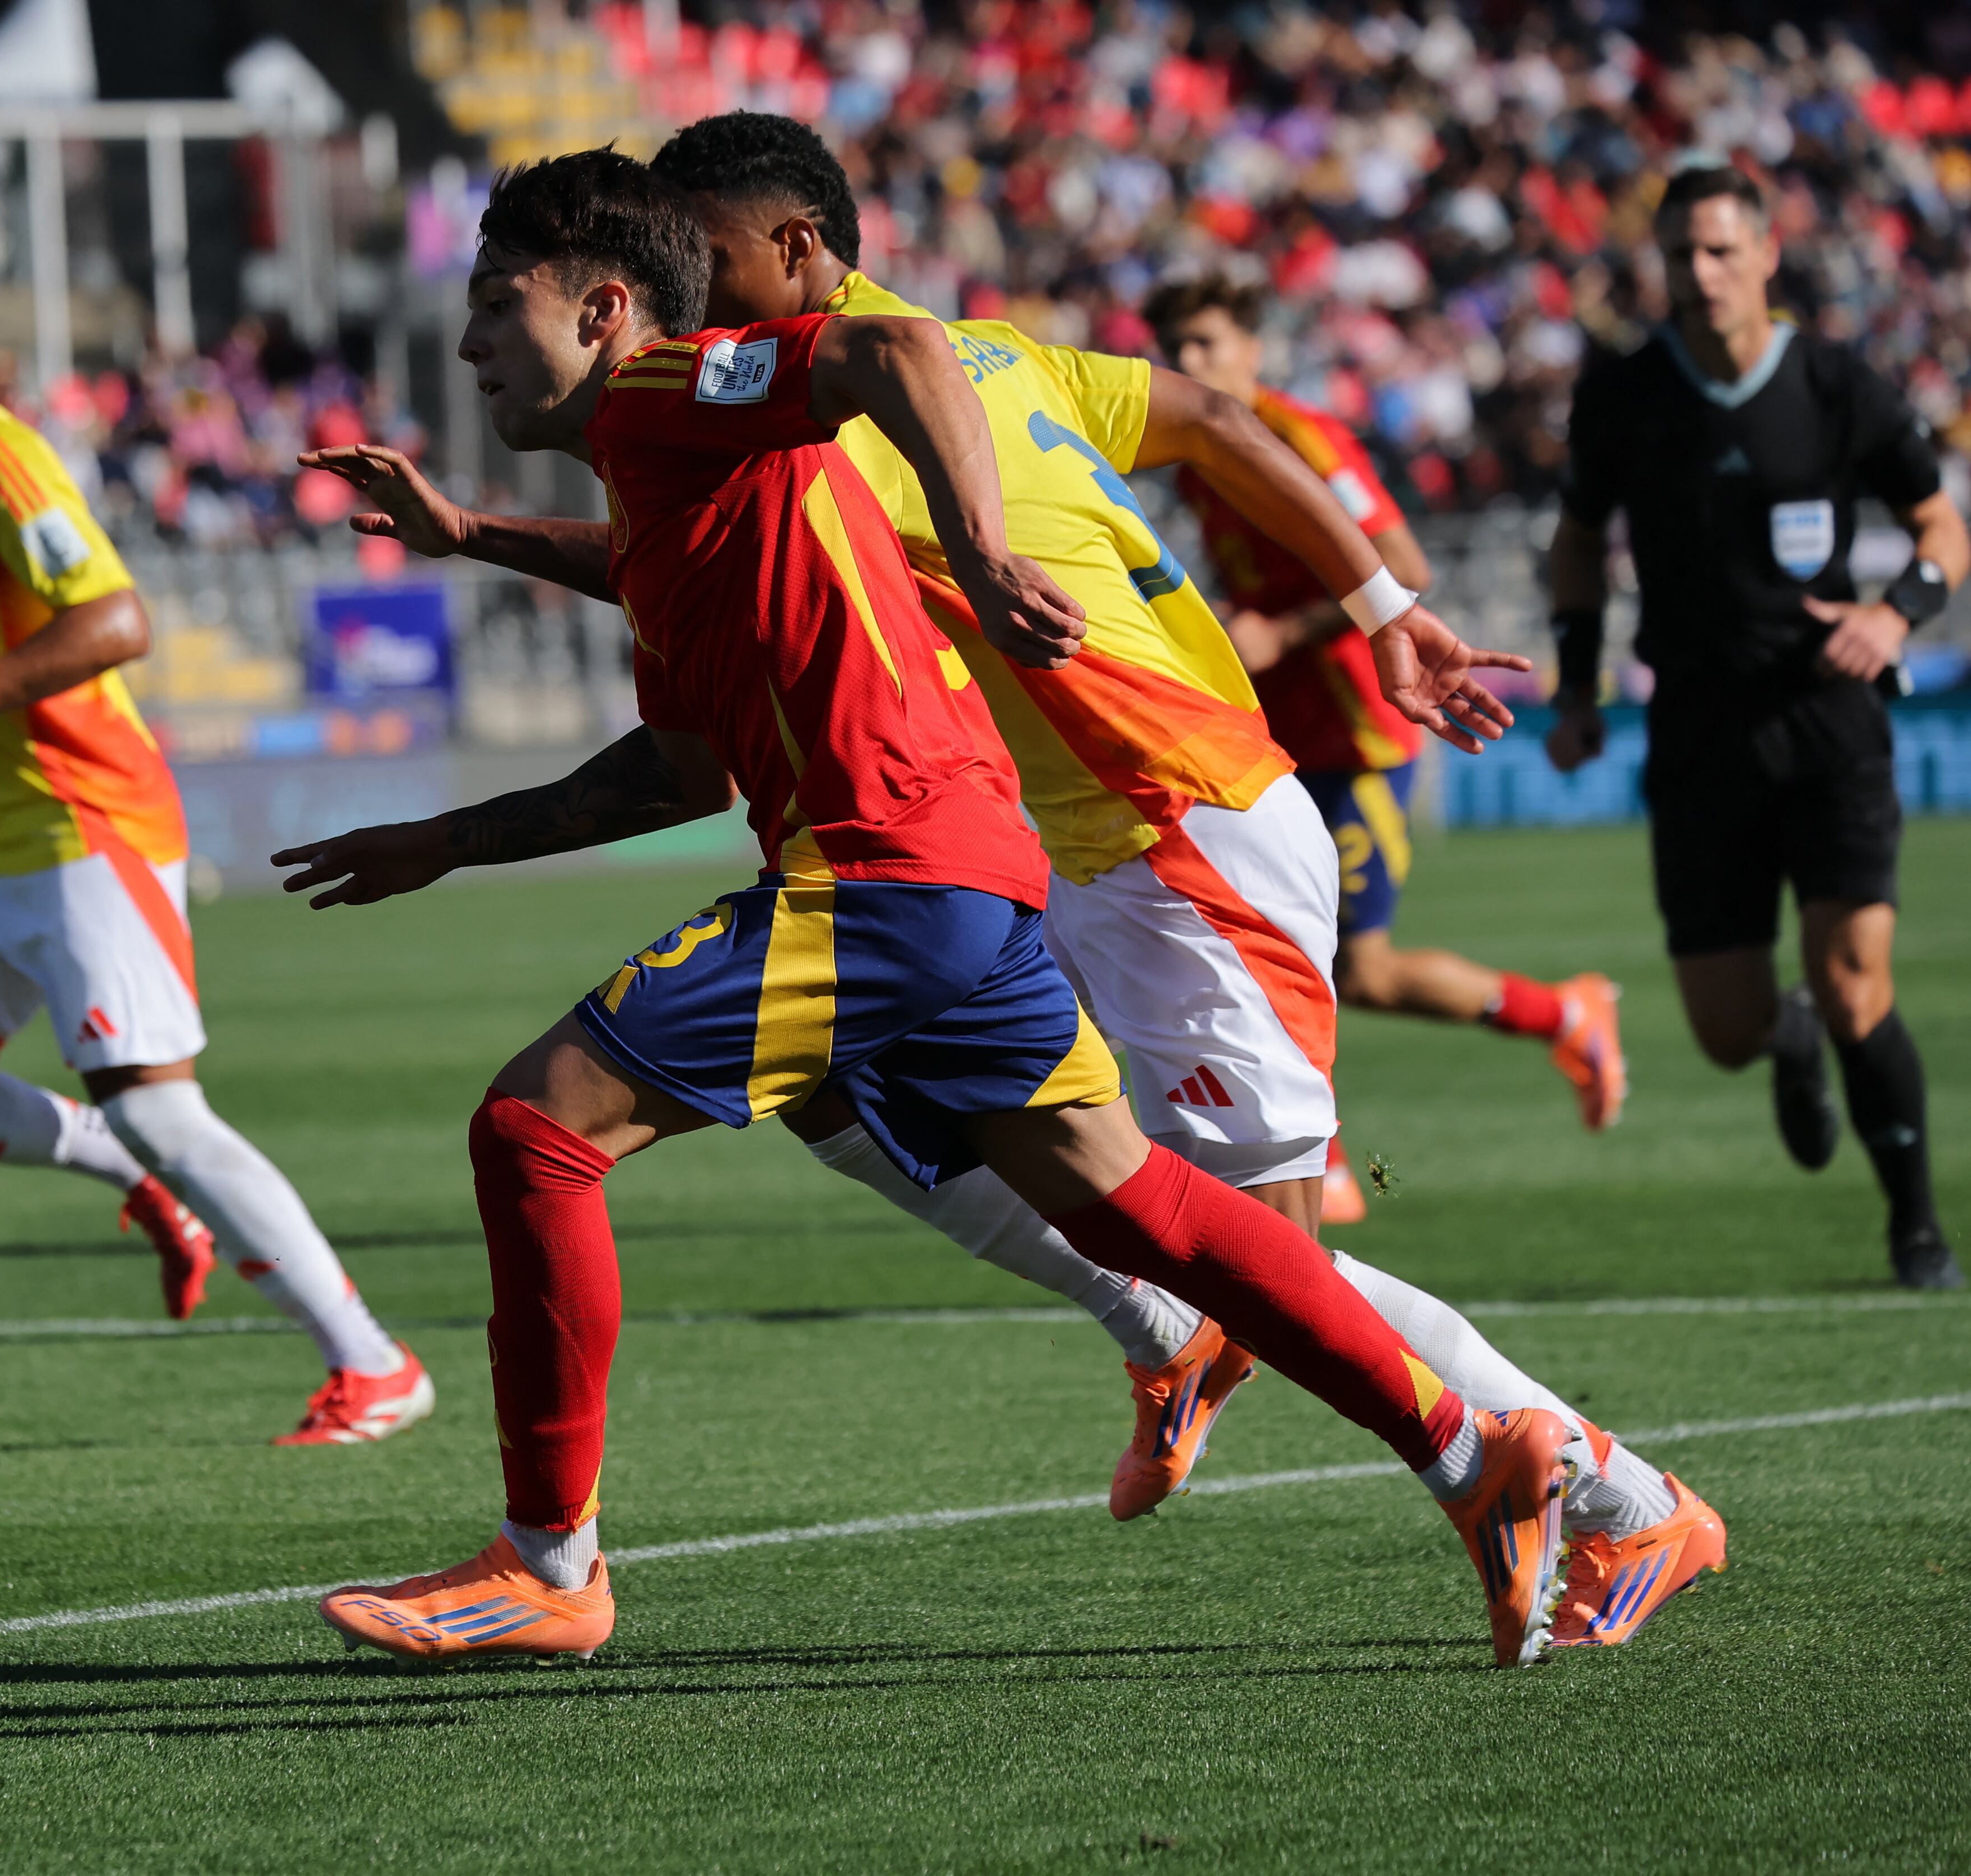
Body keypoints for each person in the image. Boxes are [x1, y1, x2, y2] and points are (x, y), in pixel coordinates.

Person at [307, 115, 1720, 1652]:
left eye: (699, 252)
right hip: (1029, 852)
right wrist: (1386, 599)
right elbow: (1192, 421)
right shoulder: (965, 369)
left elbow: (885, 372)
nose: (687, 285)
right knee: (975, 1146)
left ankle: (1608, 1486)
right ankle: (1377, 1413)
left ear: (787, 254)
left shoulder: (793, 378)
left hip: (1152, 824)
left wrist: (988, 560)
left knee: (545, 1126)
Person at [0, 225, 434, 1443]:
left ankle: (376, 1361)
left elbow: (119, 618)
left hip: (90, 820)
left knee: (167, 1108)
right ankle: (118, 1165)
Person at [1547, 165, 1966, 1294]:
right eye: (1680, 253)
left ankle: (1915, 1226)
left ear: (1766, 254)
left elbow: (1939, 523)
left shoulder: (1836, 382)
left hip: (1828, 717)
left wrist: (1896, 609)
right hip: (1695, 731)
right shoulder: (1626, 393)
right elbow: (1578, 539)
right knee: (1727, 1029)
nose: (1698, 273)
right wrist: (1577, 687)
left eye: (1720, 251)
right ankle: (1784, 1043)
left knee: (1855, 981)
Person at [1145, 274, 1627, 1220]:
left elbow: (1403, 569)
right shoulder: (1194, 451)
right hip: (1270, 737)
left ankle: (1560, 1017)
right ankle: (1319, 1153)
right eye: (1176, 351)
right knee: (1266, 940)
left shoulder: (1304, 439)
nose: (1189, 367)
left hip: (1358, 733)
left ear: (1252, 347)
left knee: (1347, 965)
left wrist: (1284, 634)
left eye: (1206, 345)